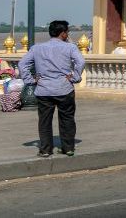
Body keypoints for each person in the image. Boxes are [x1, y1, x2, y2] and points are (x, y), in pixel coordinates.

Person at [18, 20, 85, 158]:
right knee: (67, 118)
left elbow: (22, 64)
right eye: (67, 32)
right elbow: (81, 61)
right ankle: (68, 148)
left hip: (44, 89)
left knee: (44, 121)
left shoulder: (37, 48)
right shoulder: (70, 47)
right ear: (63, 33)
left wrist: (30, 80)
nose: (67, 34)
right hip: (64, 88)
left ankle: (45, 149)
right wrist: (75, 77)